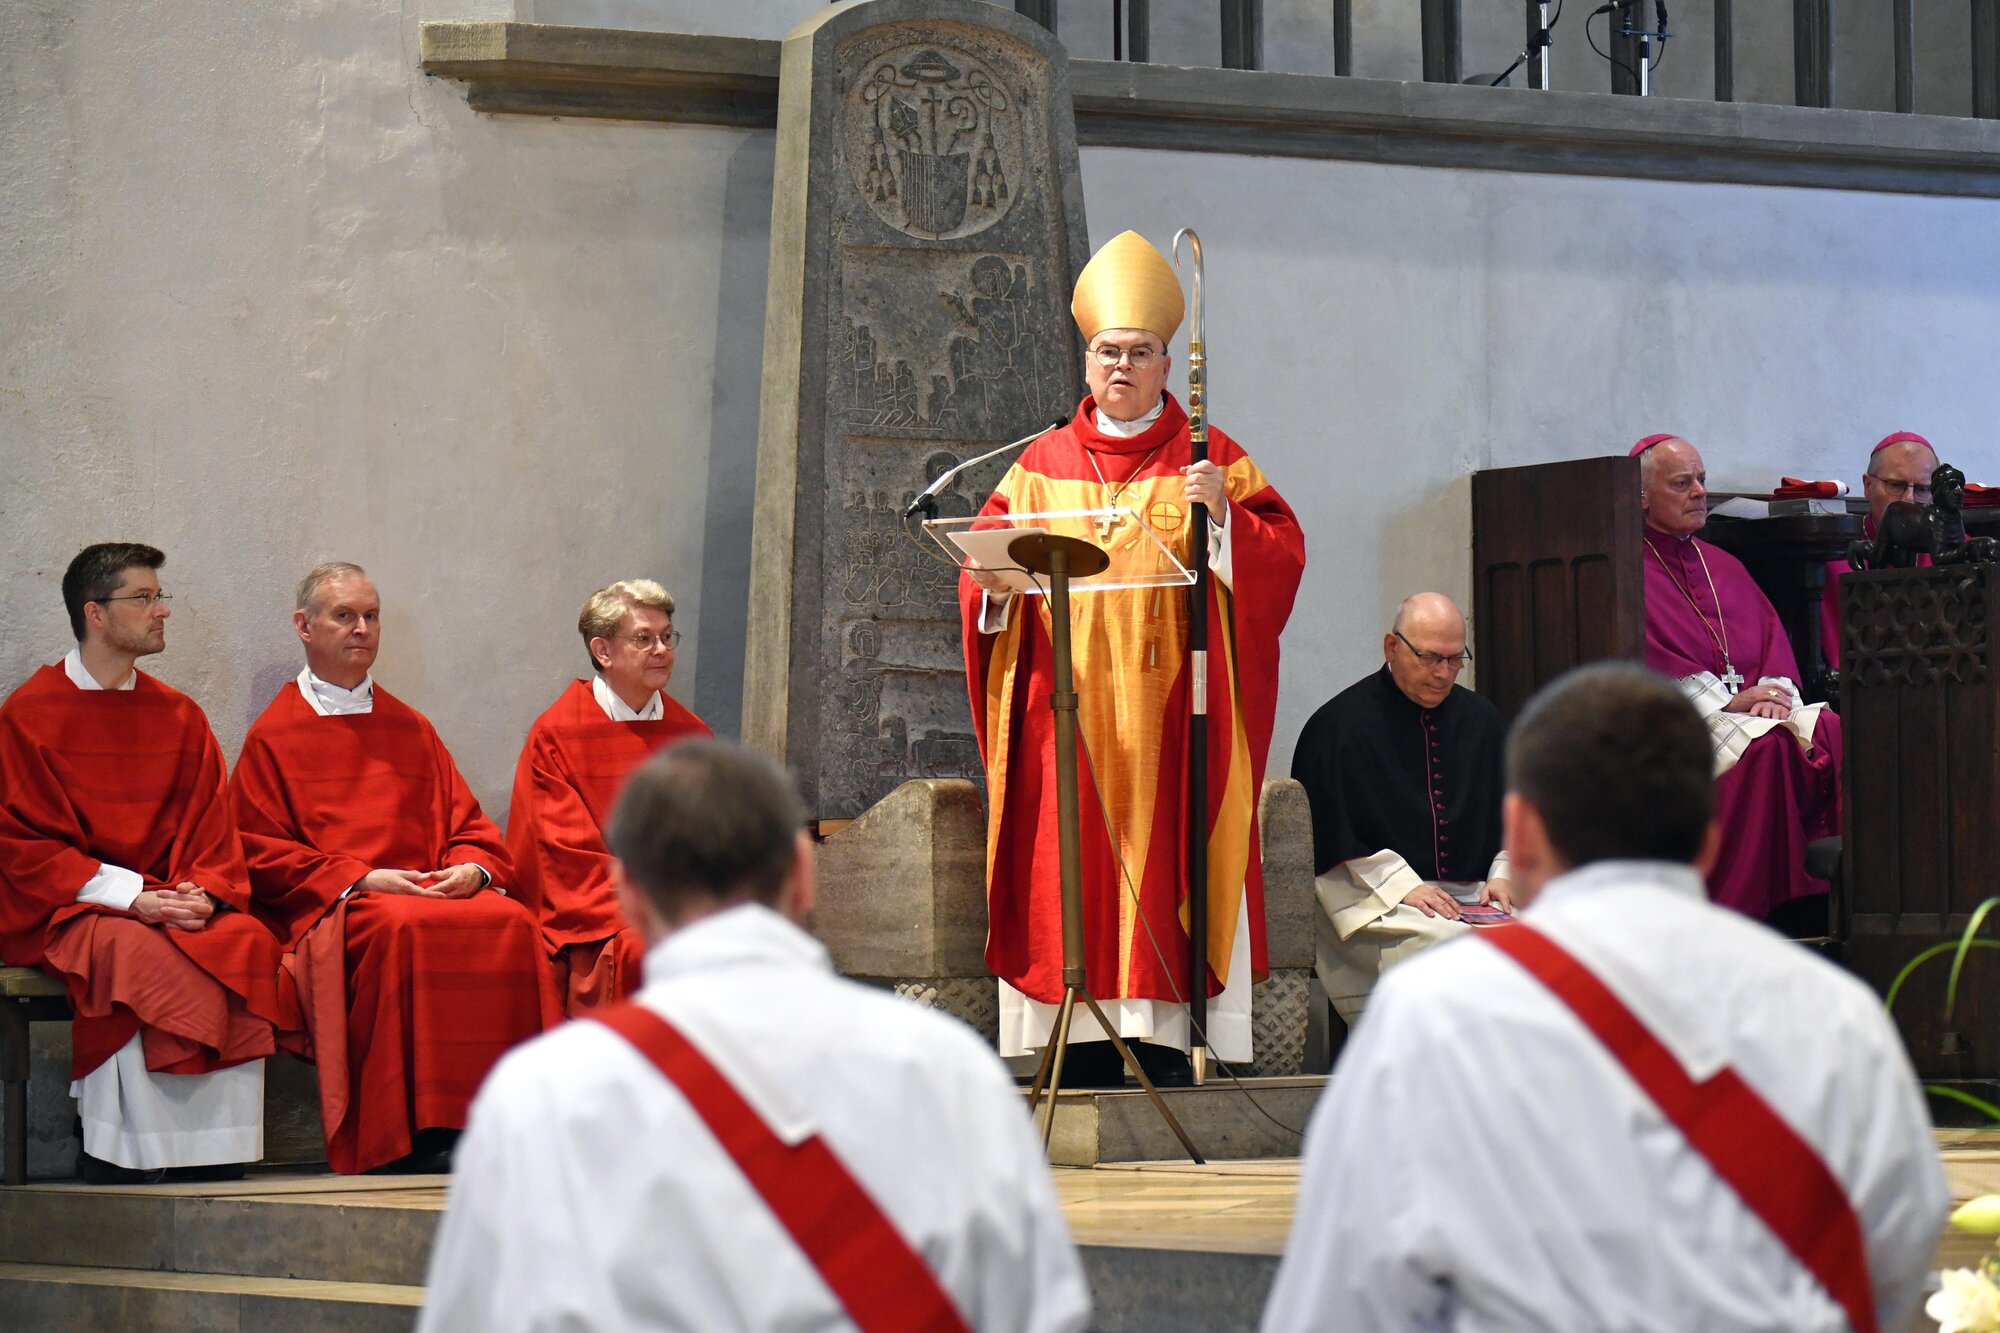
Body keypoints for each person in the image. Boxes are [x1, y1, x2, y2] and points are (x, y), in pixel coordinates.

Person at [1262, 663, 1945, 1333]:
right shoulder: (1840, 1017)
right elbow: (1896, 1263)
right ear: (1709, 840)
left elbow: (1343, 1299)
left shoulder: (1435, 1016)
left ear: (1521, 831)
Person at [419, 741, 1091, 1333]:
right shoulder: (952, 1069)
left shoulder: (541, 1097)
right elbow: (1038, 1310)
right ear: (804, 870)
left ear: (624, 892)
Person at [958, 230, 1305, 1085]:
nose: (1122, 366)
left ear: (1165, 365)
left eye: (1140, 352)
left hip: (1171, 717)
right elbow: (984, 584)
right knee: (1062, 870)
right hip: (1062, 718)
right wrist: (990, 587)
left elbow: (1281, 556)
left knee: (1167, 868)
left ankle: (1164, 1039)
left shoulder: (1211, 458)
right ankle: (1070, 1046)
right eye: (1108, 351)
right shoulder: (1037, 467)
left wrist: (1222, 516)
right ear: (1087, 364)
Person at [230, 562, 552, 1173]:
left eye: (371, 616)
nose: (361, 629)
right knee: (405, 927)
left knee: (511, 923)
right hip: (350, 904)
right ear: (304, 626)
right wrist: (361, 878)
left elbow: (470, 826)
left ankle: (501, 1132)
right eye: (344, 616)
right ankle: (409, 1134)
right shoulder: (276, 736)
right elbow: (252, 846)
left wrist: (472, 871)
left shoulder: (410, 727)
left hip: (425, 890)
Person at [0, 543, 294, 1182]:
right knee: (135, 951)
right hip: (77, 904)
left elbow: (214, 827)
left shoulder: (179, 716)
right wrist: (132, 897)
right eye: (145, 597)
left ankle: (214, 1147)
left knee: (243, 938)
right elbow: (23, 846)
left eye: (161, 597)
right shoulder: (30, 715)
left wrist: (205, 893)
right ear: (96, 614)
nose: (163, 610)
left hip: (169, 894)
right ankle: (121, 1148)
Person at [1633, 433, 1842, 920]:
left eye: (1701, 480)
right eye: (1682, 483)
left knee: (1833, 729)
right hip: (1686, 723)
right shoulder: (1627, 569)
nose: (1700, 492)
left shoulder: (1723, 566)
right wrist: (1730, 702)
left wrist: (1773, 696)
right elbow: (1646, 663)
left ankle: (1839, 900)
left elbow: (1771, 641)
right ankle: (1759, 910)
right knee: (1768, 748)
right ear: (1641, 496)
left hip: (1749, 712)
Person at [1290, 593, 1509, 1024]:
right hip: (1373, 898)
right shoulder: (1338, 726)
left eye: (1454, 659)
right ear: (1392, 647)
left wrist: (1504, 876)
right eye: (1429, 658)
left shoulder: (1484, 721)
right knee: (1450, 946)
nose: (1443, 674)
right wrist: (1401, 886)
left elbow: (1514, 819)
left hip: (1473, 897)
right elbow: (1331, 836)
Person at [506, 579, 711, 1016]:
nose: (662, 649)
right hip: (606, 917)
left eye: (666, 636)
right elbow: (566, 857)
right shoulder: (559, 735)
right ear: (603, 651)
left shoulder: (691, 735)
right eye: (643, 639)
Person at [1820, 430, 1938, 671]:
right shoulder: (1833, 560)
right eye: (1896, 485)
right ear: (1867, 485)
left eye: (1923, 489)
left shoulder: (1957, 553)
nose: (1909, 499)